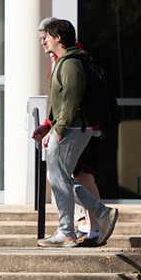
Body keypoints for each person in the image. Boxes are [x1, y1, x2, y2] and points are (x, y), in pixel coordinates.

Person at [31, 17, 119, 248]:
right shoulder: (63, 61)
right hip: (68, 128)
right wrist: (48, 124)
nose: (43, 41)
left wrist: (58, 130)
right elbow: (59, 103)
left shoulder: (70, 64)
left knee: (61, 179)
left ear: (58, 38)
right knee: (60, 180)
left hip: (73, 129)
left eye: (47, 36)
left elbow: (71, 100)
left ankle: (69, 230)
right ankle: (94, 216)